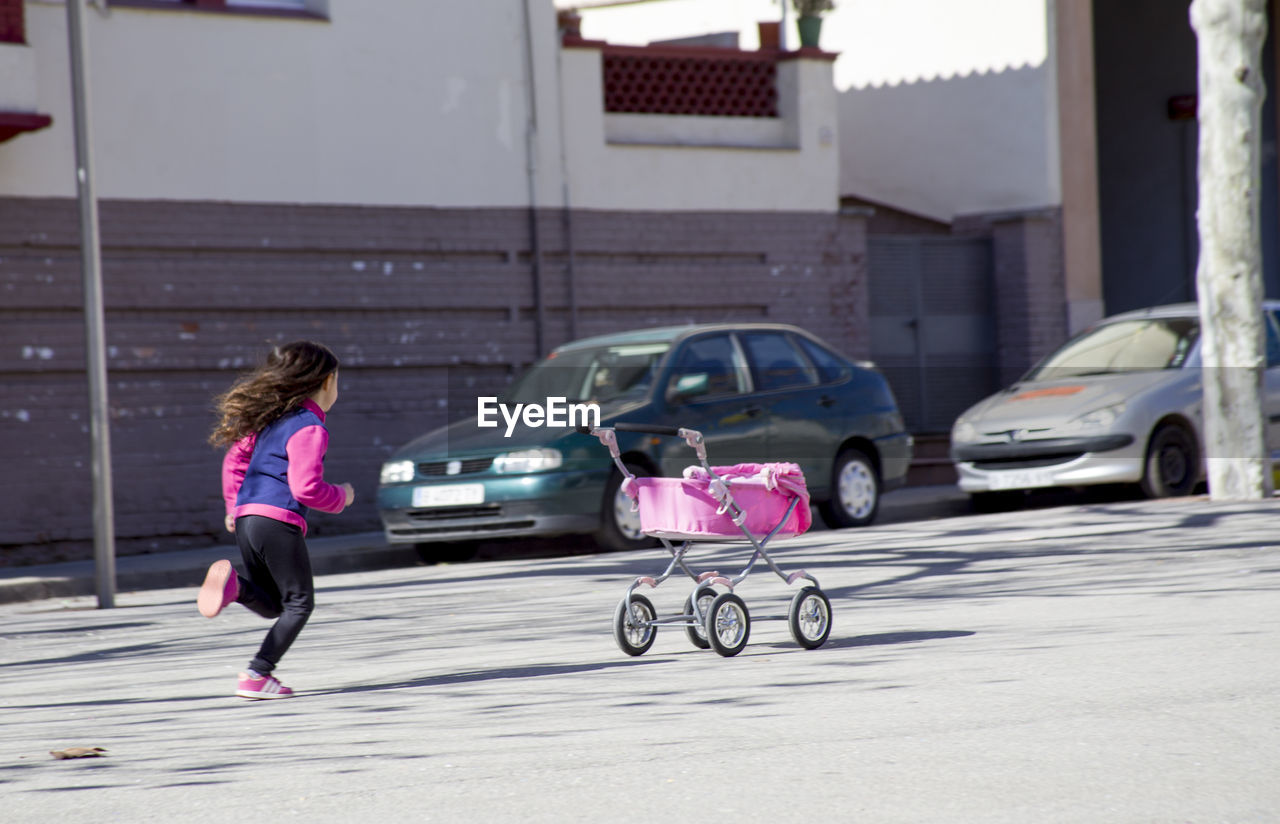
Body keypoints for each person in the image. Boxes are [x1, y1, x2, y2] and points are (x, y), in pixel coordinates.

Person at [199, 340, 355, 700]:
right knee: (300, 603)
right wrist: (341, 497)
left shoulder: (268, 422)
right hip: (277, 522)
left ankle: (235, 587)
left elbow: (233, 462)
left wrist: (232, 506)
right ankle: (257, 674)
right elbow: (306, 488)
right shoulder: (310, 427)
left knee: (272, 603)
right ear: (327, 382)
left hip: (248, 519)